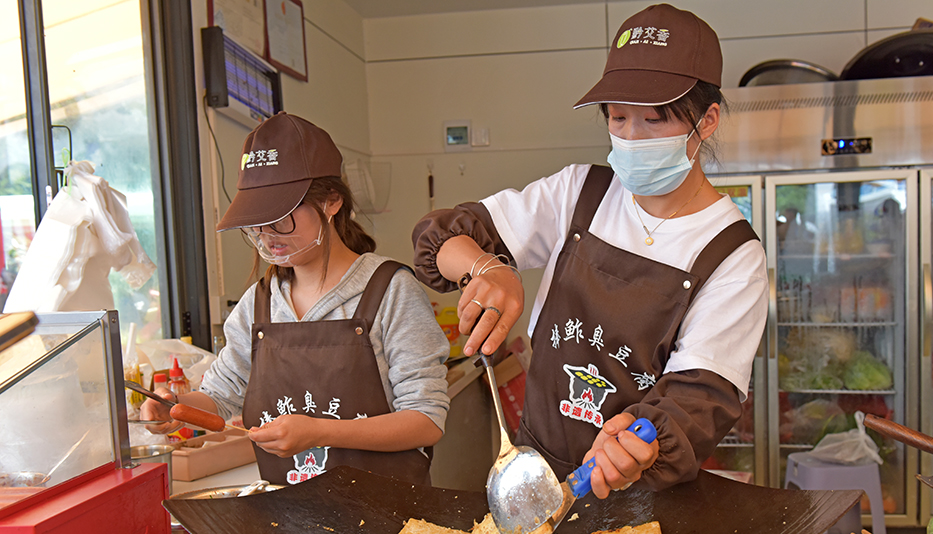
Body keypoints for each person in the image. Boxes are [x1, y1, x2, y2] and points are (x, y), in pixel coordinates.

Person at [412, 4, 768, 500]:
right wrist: (486, 266)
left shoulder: (732, 255)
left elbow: (698, 400)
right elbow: (442, 235)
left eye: (655, 120)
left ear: (706, 121)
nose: (630, 138)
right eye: (618, 118)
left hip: (642, 497)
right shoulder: (578, 193)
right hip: (533, 476)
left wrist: (638, 444)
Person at [142, 112, 450, 486]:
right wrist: (177, 409)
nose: (267, 235)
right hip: (288, 517)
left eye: (282, 216)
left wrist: (320, 433)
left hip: (388, 519)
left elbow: (426, 419)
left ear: (331, 201)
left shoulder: (390, 290)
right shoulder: (258, 305)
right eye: (256, 221)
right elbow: (219, 397)